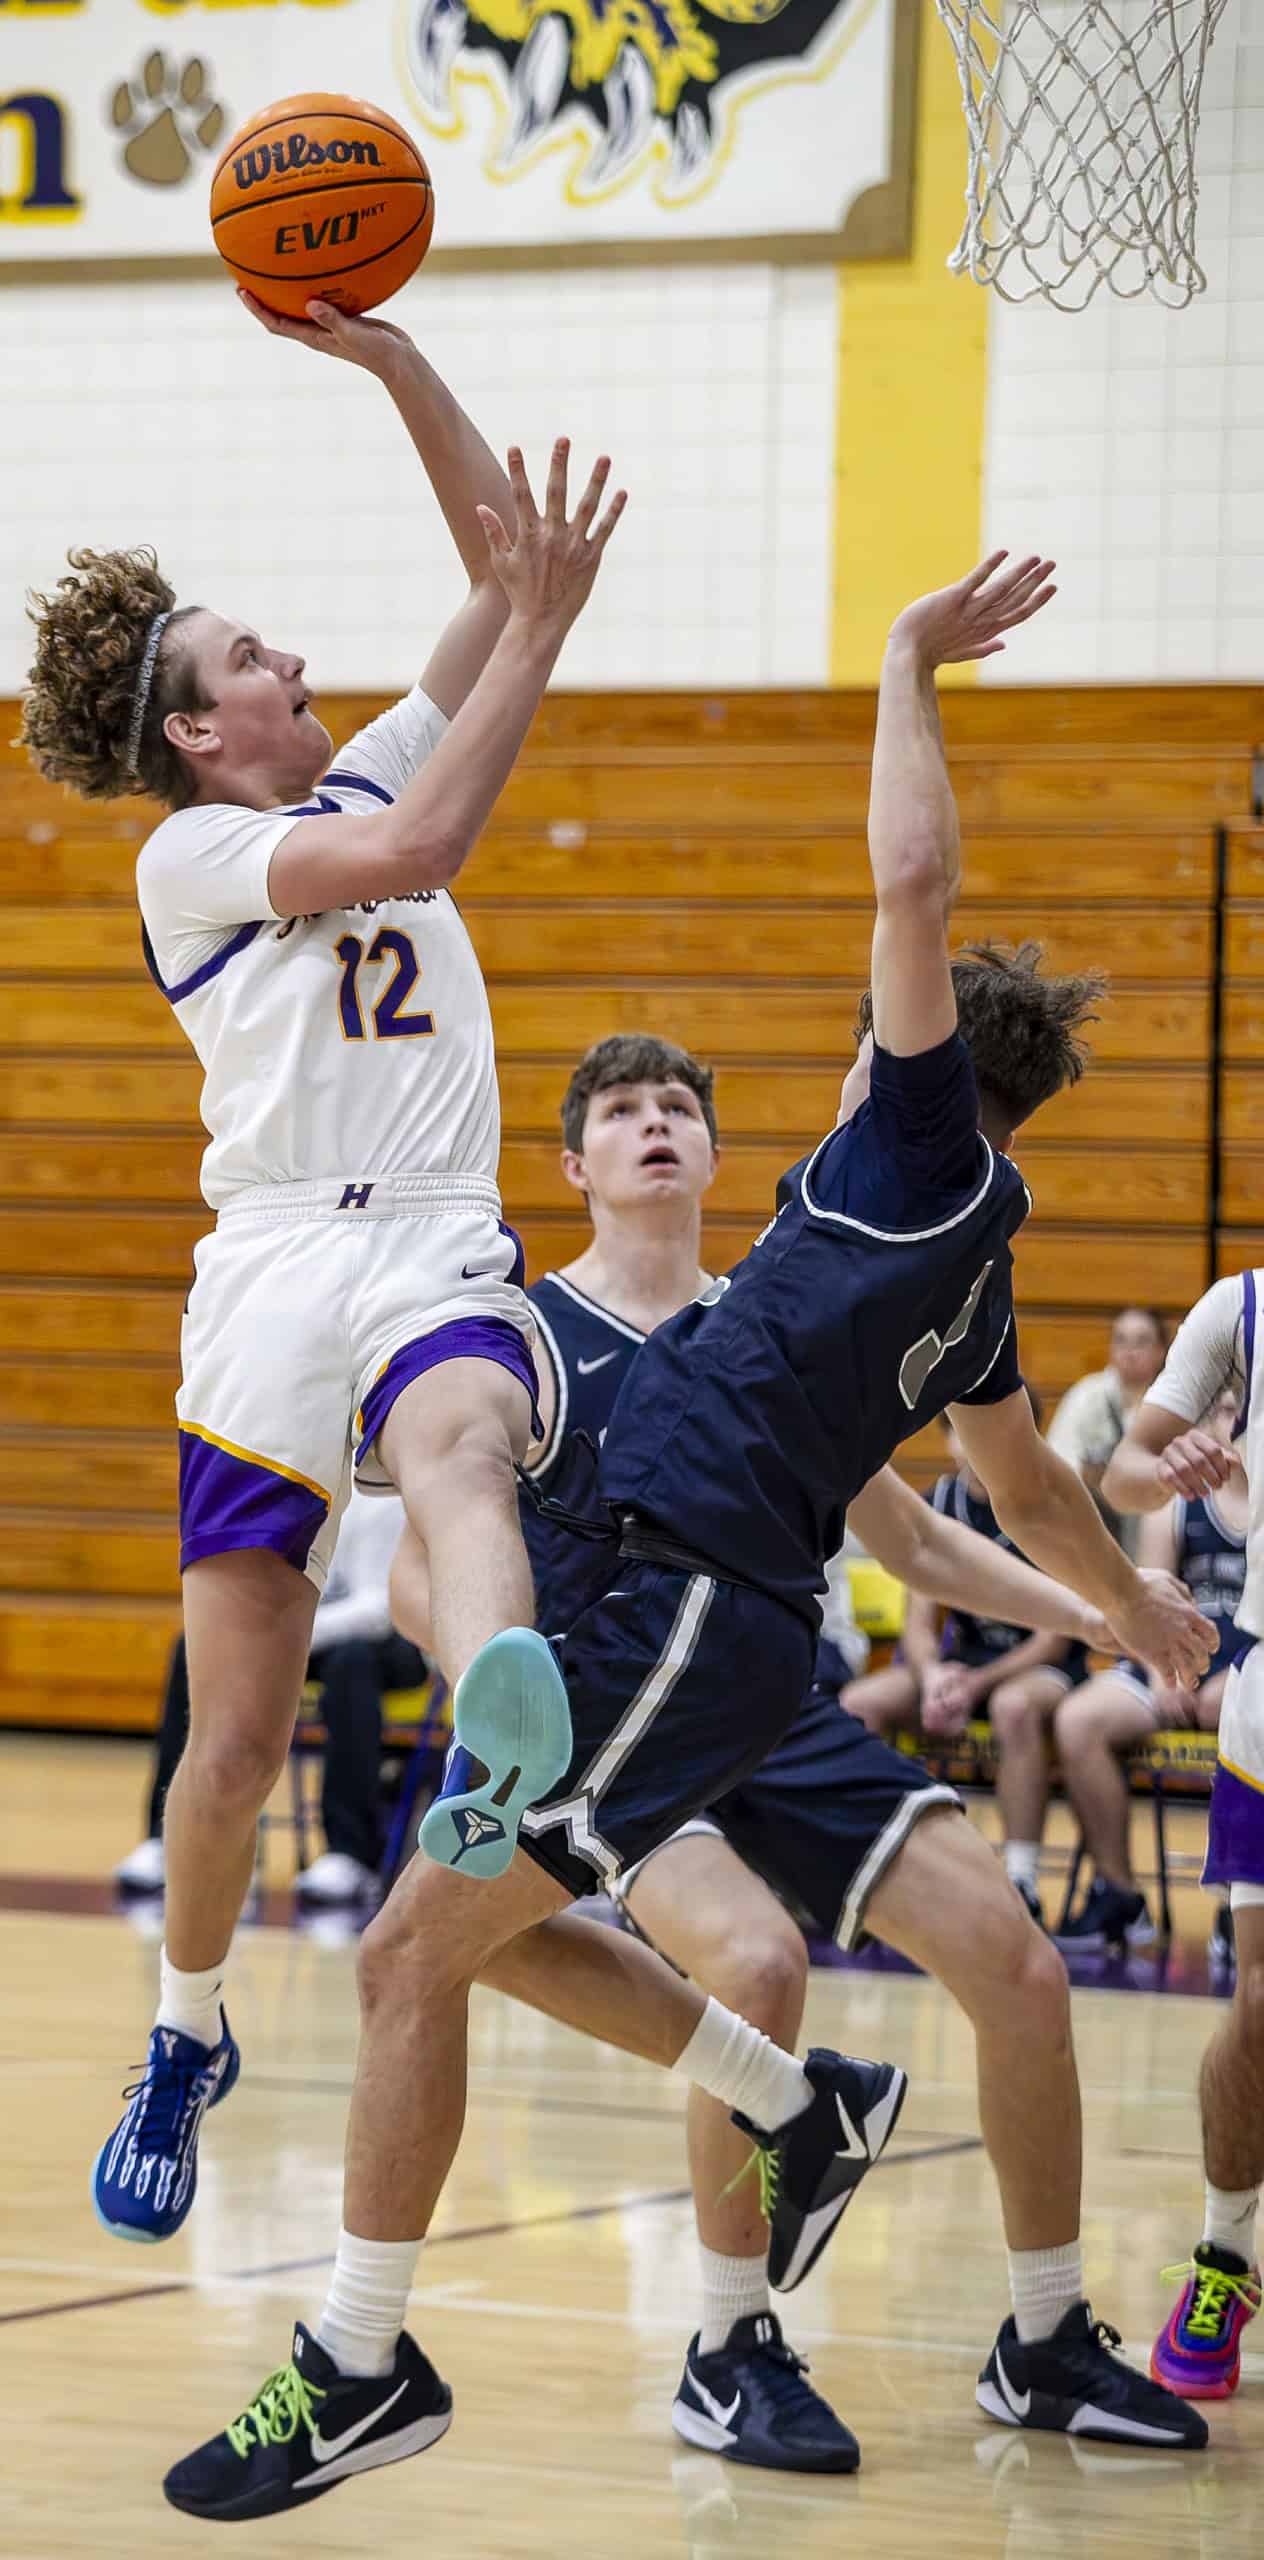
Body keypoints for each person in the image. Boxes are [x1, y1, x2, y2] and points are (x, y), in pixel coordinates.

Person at [165, 551, 1217, 2522]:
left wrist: (904, 656)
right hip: (681, 1647)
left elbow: (908, 880)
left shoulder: (893, 1161)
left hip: (679, 1628)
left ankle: (373, 2357)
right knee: (474, 1947)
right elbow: (1022, 1494)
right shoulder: (946, 1265)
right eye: (626, 1111)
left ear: (874, 1068)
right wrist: (1123, 1605)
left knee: (415, 1951)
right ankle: (750, 2251)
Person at [22, 293, 625, 2248]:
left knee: (460, 1450)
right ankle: (185, 2027)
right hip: (271, 1263)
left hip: (433, 1220)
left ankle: (494, 1752)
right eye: (249, 655)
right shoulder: (192, 857)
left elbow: (486, 562)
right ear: (201, 728)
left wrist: (385, 362)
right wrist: (536, 628)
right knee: (238, 1730)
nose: (292, 658)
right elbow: (442, 825)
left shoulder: (345, 769)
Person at [514, 1030, 1128, 2472]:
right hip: (621, 1717)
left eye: (679, 1104)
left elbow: (912, 1540)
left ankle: (1043, 2339)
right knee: (756, 1965)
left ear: (721, 1155)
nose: (654, 1124)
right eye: (621, 1109)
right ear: (574, 1164)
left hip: (773, 1702)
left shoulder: (774, 1315)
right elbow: (436, 1556)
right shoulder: (523, 1332)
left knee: (1020, 1962)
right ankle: (729, 2348)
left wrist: (1104, 1613)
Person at [1098, 1274, 1264, 2400]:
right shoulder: (1242, 1309)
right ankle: (1225, 2255)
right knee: (1259, 2009)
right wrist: (1176, 1467)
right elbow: (1120, 1468)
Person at [114, 1490, 426, 1907]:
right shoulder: (283, 1488)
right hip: (302, 1638)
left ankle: (349, 1855)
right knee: (194, 1648)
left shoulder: (379, 1496)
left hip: (391, 1647)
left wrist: (279, 1639)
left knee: (352, 1663)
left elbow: (376, 1611)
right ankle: (166, 1837)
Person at [846, 1404, 1088, 1925]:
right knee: (859, 1703)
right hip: (964, 1665)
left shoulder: (1049, 1506)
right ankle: (861, 1862)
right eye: (954, 1429)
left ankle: (1021, 1875)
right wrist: (933, 1674)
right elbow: (919, 1622)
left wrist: (972, 1684)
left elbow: (1053, 1639)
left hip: (1037, 1667)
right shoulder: (940, 1501)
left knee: (1013, 1708)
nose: (966, 1440)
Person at [1055, 1387, 1247, 1955]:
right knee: (1077, 1721)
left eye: (1245, 1410)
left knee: (1238, 1709)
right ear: (1208, 1423)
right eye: (1224, 1411)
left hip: (1242, 1668)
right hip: (1170, 1660)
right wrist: (1167, 1674)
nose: (1234, 1422)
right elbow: (1145, 1601)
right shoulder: (1176, 1504)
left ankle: (1238, 1904)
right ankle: (1120, 1895)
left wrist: (1226, 1679)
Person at [1046, 1306, 1169, 1560]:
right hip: (1093, 1518)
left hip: (1155, 1516)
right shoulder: (1086, 1395)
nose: (1130, 1352)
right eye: (1121, 1340)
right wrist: (1088, 1475)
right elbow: (1055, 1460)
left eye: (1142, 1341)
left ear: (1161, 1350)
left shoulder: (1173, 1402)